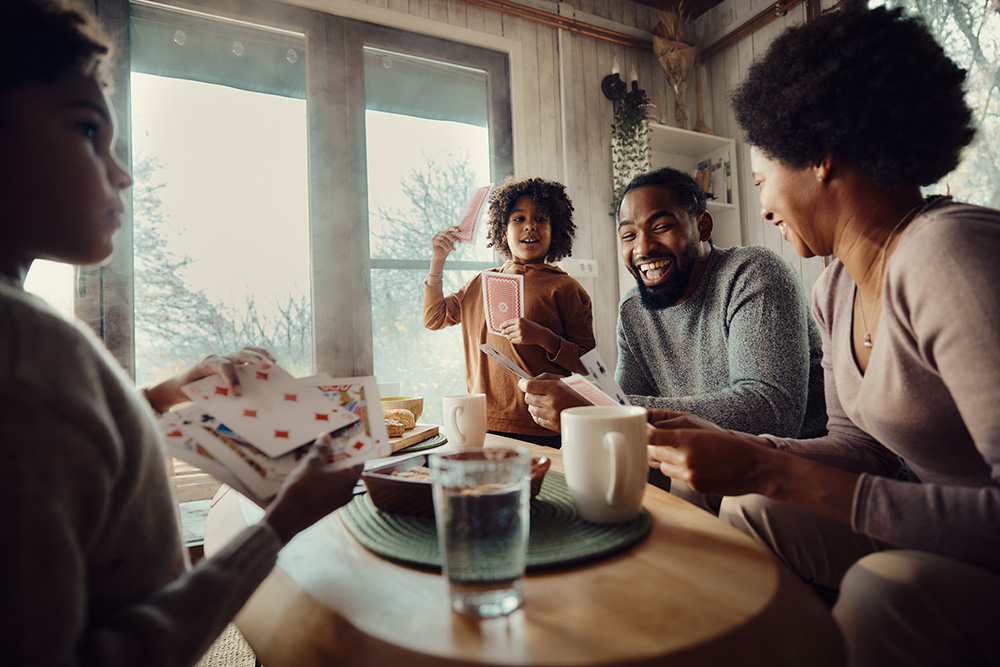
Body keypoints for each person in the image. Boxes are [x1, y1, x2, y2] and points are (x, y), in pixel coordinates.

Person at [0, 1, 362, 665]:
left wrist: (165, 394)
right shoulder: (26, 348)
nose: (123, 174)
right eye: (86, 129)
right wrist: (282, 522)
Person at [644, 4, 1000, 664]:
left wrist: (765, 464)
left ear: (820, 154)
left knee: (880, 591)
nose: (764, 205)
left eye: (761, 181)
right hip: (929, 526)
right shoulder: (834, 288)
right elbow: (860, 446)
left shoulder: (948, 258)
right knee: (752, 510)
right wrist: (735, 446)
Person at [519, 166, 826, 506]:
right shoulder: (634, 308)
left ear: (702, 227)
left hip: (794, 472)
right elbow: (625, 405)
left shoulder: (752, 273)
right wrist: (588, 410)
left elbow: (769, 412)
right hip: (698, 466)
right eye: (628, 235)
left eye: (661, 227)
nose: (643, 248)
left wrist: (597, 407)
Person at [424, 177, 595, 447]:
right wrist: (437, 260)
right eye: (519, 218)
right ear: (503, 231)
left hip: (541, 425)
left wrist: (545, 337)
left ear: (555, 231)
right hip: (481, 422)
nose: (530, 225)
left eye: (541, 219)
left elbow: (589, 366)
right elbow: (434, 318)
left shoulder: (566, 289)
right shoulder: (479, 283)